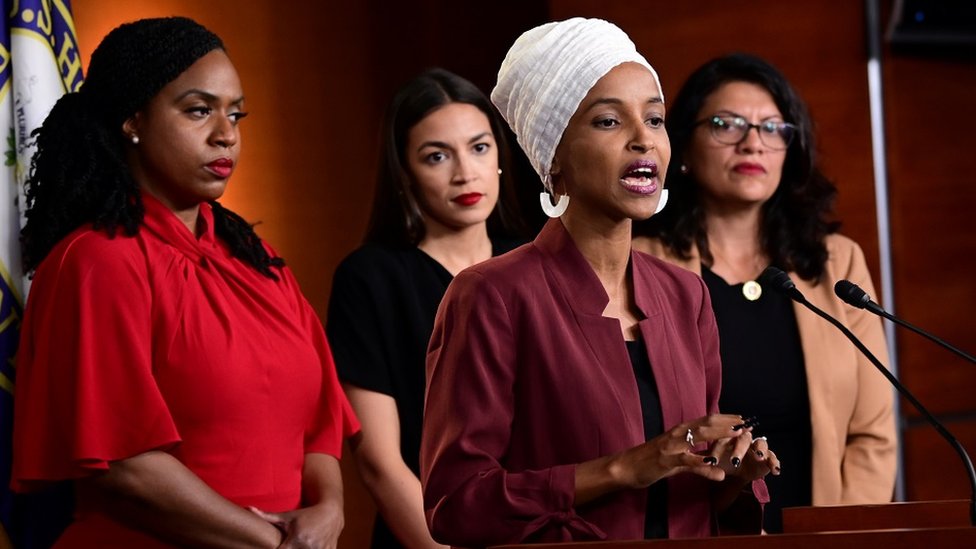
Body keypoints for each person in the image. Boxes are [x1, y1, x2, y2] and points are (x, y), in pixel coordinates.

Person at [420, 19, 779, 547]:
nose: (643, 140)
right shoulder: (491, 295)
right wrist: (621, 469)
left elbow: (692, 500)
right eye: (609, 121)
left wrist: (734, 476)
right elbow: (456, 506)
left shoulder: (687, 295)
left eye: (654, 119)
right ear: (553, 155)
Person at [11, 17, 358, 548]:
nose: (227, 134)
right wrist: (272, 541)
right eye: (199, 110)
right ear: (134, 120)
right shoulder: (95, 263)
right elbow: (122, 464)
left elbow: (321, 421)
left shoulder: (256, 259)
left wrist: (329, 509)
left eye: (235, 114)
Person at [633, 53, 897, 532]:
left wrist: (843, 536)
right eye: (726, 124)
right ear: (683, 149)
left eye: (773, 128)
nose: (753, 143)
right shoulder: (641, 265)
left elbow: (872, 434)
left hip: (822, 532)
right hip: (693, 530)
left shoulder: (835, 263)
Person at [326, 68, 524, 549]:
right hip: (427, 536)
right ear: (405, 173)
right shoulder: (370, 278)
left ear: (499, 155)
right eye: (437, 156)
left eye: (479, 148)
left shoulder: (539, 261)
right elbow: (379, 462)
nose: (464, 173)